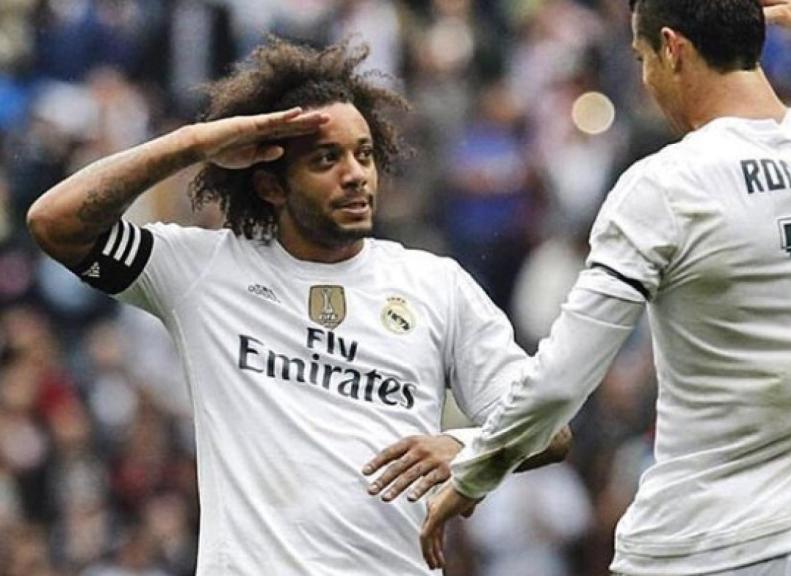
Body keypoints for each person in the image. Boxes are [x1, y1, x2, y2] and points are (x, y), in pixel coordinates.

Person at [420, 0, 791, 574]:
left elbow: (562, 378)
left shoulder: (667, 187)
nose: (645, 81)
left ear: (673, 48)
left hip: (700, 544)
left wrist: (476, 471)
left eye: (643, 59)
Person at [25, 38, 568, 575]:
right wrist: (193, 145)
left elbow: (551, 430)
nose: (355, 173)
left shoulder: (434, 284)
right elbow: (56, 223)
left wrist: (466, 446)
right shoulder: (203, 271)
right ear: (271, 185)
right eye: (326, 158)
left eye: (364, 153)